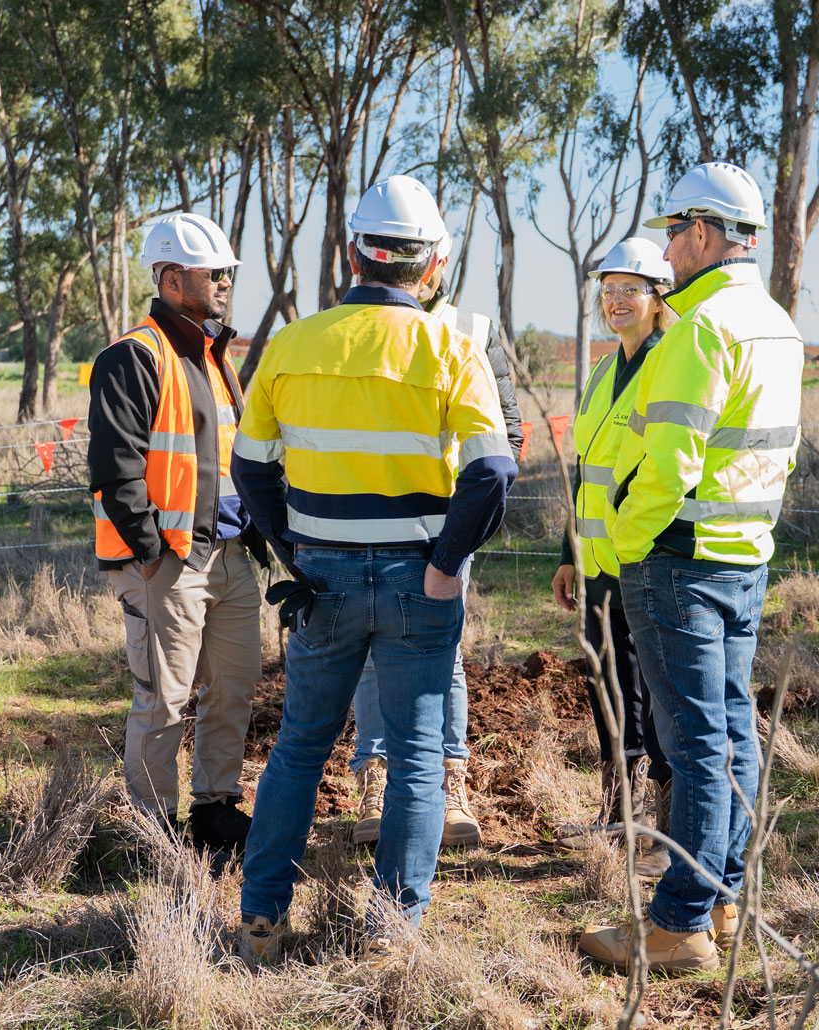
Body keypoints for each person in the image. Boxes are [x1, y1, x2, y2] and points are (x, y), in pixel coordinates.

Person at [231, 174, 518, 960]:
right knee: (419, 757)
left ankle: (261, 921)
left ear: (353, 253)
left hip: (320, 581)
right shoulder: (451, 347)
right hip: (415, 582)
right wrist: (448, 562)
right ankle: (392, 936)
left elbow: (250, 469)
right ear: (433, 266)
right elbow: (493, 470)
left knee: (299, 748)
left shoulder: (291, 344)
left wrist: (295, 551)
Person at [578, 162, 803, 973]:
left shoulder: (700, 327)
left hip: (677, 561)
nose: (667, 249)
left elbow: (668, 468)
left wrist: (625, 547)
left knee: (698, 743)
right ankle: (726, 896)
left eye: (674, 233)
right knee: (732, 735)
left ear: (705, 234)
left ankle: (677, 924)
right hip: (743, 556)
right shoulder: (776, 323)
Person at [88, 212, 267, 856]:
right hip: (169, 561)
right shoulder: (132, 356)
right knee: (163, 701)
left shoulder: (216, 359)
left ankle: (215, 810)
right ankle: (155, 830)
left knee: (233, 691)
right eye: (210, 272)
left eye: (225, 272)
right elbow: (116, 467)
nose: (224, 281)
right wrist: (151, 553)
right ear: (169, 279)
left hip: (230, 556)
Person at [349, 228, 523, 850]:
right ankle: (375, 777)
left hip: (444, 526)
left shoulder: (472, 329)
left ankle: (451, 783)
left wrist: (469, 527)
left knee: (443, 656)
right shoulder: (359, 322)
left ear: (439, 261)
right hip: (365, 519)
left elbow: (507, 434)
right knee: (371, 654)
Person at [551, 238, 673, 871]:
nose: (617, 301)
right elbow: (586, 468)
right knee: (609, 683)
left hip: (647, 558)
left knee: (653, 686)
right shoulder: (603, 369)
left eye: (632, 289)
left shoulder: (667, 364)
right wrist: (568, 551)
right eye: (609, 289)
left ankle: (659, 823)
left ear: (659, 297)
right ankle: (619, 808)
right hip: (597, 562)